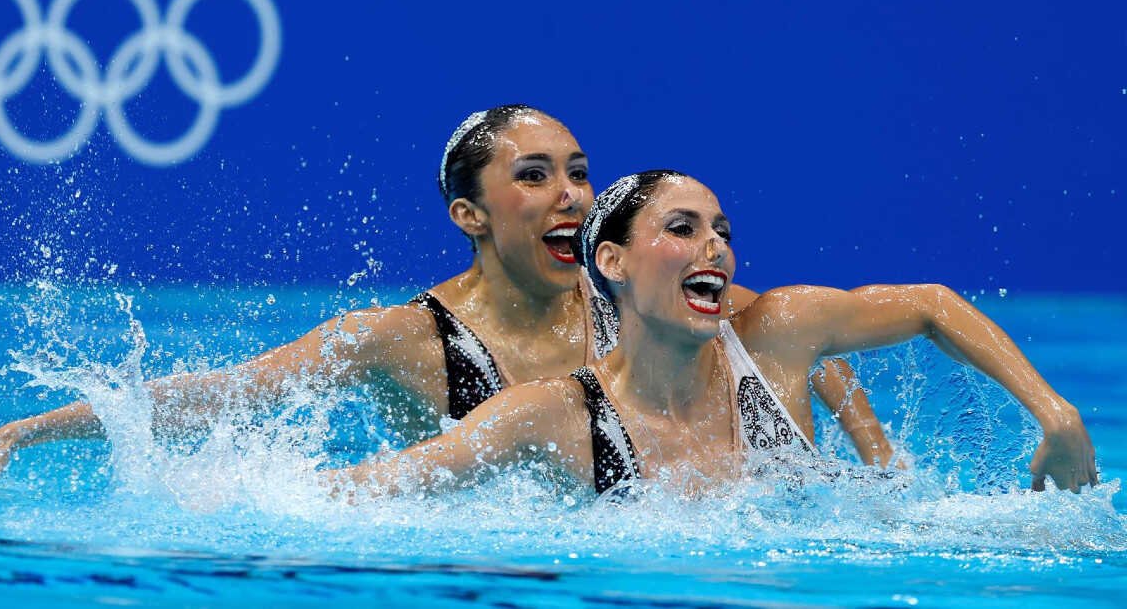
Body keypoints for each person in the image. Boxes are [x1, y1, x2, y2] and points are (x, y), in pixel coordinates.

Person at [0, 108, 889, 484]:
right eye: (534, 177)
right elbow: (229, 395)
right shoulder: (407, 338)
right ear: (470, 215)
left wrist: (879, 473)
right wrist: (23, 432)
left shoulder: (630, 287)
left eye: (577, 171)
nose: (570, 195)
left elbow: (777, 342)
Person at [319, 171, 1097, 498]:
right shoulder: (556, 413)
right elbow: (373, 490)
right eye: (683, 229)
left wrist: (1057, 416)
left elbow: (930, 304)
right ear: (612, 262)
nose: (714, 247)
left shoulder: (774, 335)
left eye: (722, 231)